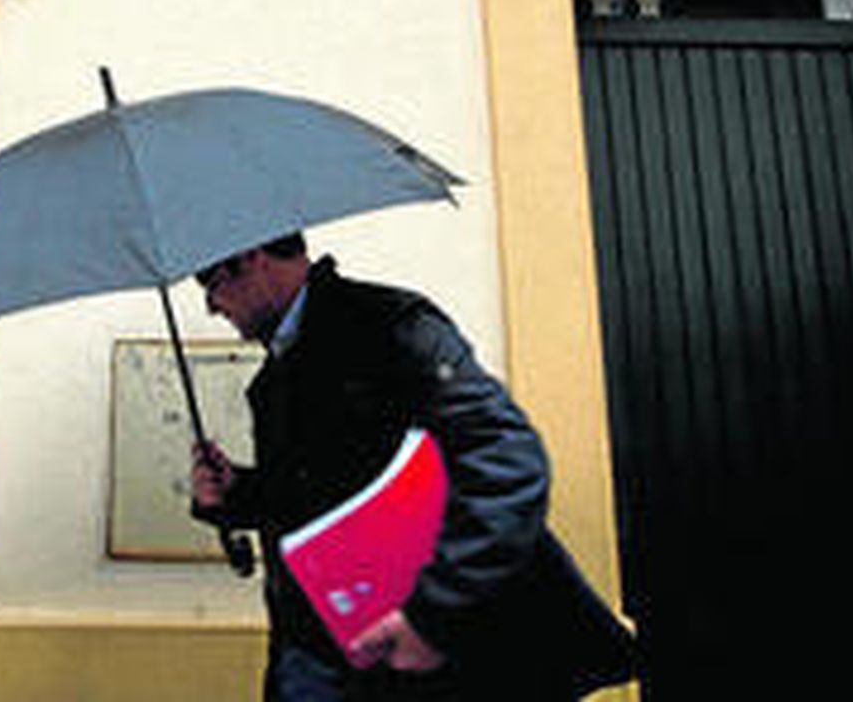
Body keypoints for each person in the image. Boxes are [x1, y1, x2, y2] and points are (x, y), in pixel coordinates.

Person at [189, 234, 636, 701]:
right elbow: (317, 498)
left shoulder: (391, 325)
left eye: (210, 283)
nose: (212, 308)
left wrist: (435, 615)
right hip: (319, 651)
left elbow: (506, 461)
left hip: (427, 650)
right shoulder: (272, 383)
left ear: (251, 259)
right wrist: (237, 492)